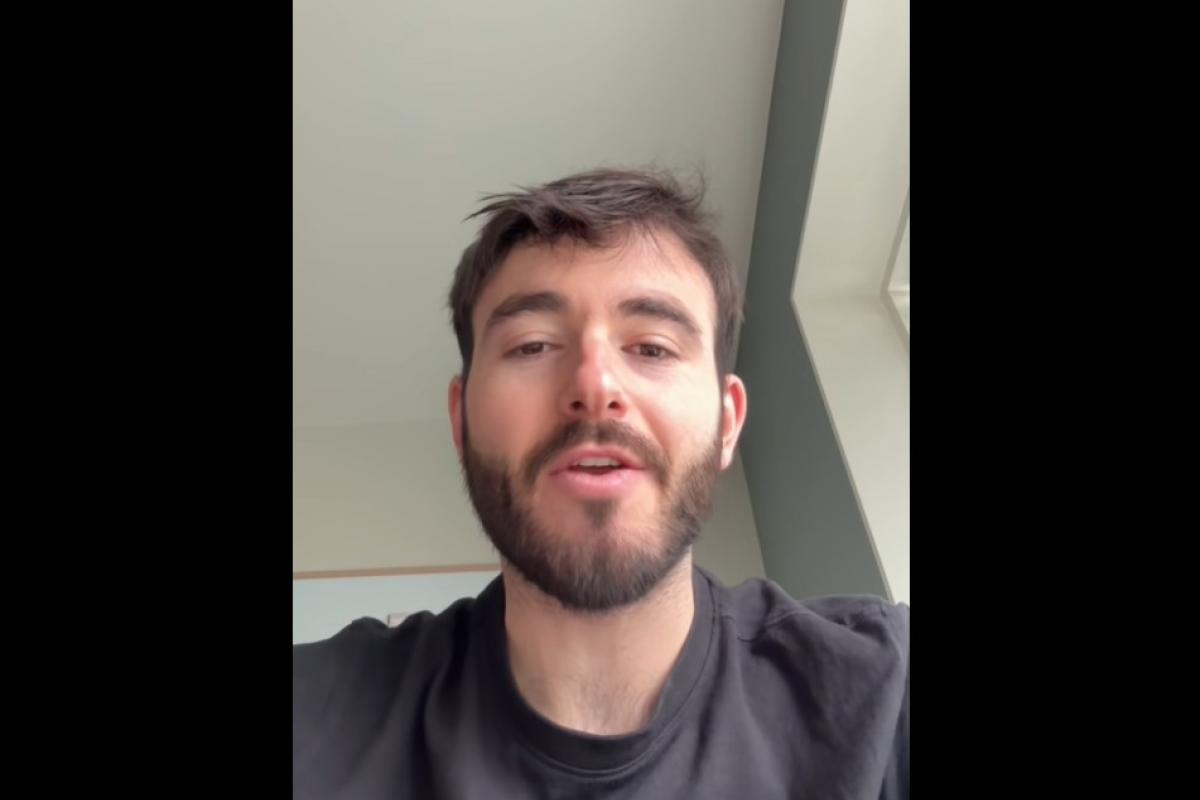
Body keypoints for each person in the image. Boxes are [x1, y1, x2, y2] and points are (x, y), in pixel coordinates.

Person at [293, 168, 909, 799]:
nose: (595, 386)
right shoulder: (315, 714)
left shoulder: (887, 692)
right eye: (533, 346)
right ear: (461, 420)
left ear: (727, 423)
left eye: (652, 347)